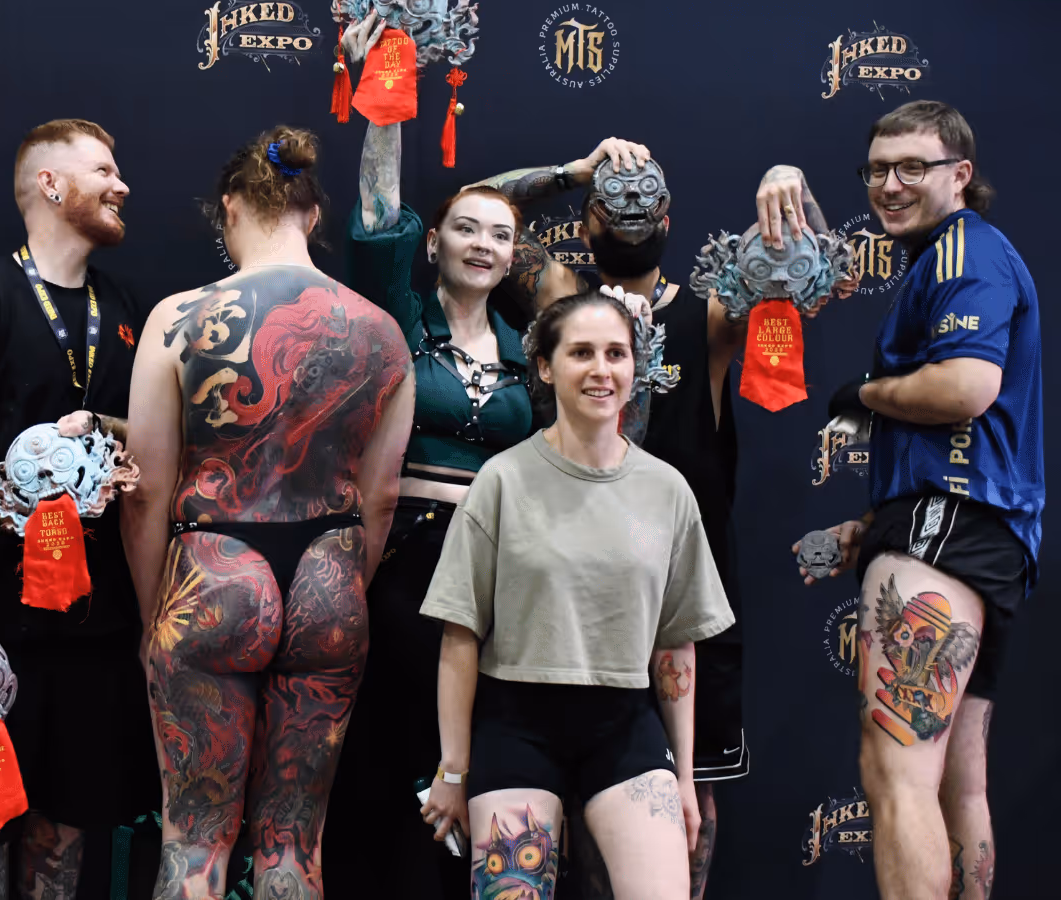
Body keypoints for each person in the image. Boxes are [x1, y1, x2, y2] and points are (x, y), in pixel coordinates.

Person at [320, 16, 652, 899]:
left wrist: (585, 183)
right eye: (463, 229)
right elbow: (382, 205)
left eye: (498, 237)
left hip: (499, 578)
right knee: (388, 751)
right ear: (433, 244)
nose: (481, 244)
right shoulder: (397, 313)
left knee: (466, 765)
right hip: (396, 568)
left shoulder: (529, 346)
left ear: (514, 257)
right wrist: (386, 101)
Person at [476, 147, 849, 898]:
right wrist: (575, 170)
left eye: (644, 206)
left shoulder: (710, 314)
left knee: (690, 799)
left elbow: (823, 279)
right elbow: (481, 209)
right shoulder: (562, 298)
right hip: (568, 592)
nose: (627, 216)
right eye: (607, 204)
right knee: (567, 799)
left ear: (670, 220)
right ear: (585, 224)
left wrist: (792, 191)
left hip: (681, 594)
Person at [121, 124, 412, 899]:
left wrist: (157, 611)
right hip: (329, 580)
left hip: (213, 574)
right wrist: (346, 581)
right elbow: (383, 496)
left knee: (195, 842)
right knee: (292, 845)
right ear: (314, 215)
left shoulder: (178, 319)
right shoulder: (382, 334)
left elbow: (146, 486)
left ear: (230, 210)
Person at [790, 99, 1038, 900]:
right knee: (956, 783)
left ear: (960, 175)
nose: (890, 185)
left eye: (913, 168)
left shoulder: (966, 250)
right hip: (976, 540)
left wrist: (863, 394)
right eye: (878, 170)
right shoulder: (948, 257)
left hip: (947, 532)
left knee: (895, 772)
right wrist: (872, 527)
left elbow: (966, 389)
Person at [419, 288, 737, 900]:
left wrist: (686, 779)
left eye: (616, 353)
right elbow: (459, 638)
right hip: (517, 727)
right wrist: (452, 771)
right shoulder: (502, 480)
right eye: (582, 352)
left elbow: (677, 648)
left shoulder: (668, 491)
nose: (601, 370)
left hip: (625, 730)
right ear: (545, 365)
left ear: (635, 366)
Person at [0, 118, 158, 899]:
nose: (122, 184)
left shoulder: (128, 306)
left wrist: (112, 433)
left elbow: (155, 444)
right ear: (50, 185)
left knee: (66, 830)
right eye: (104, 169)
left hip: (99, 619)